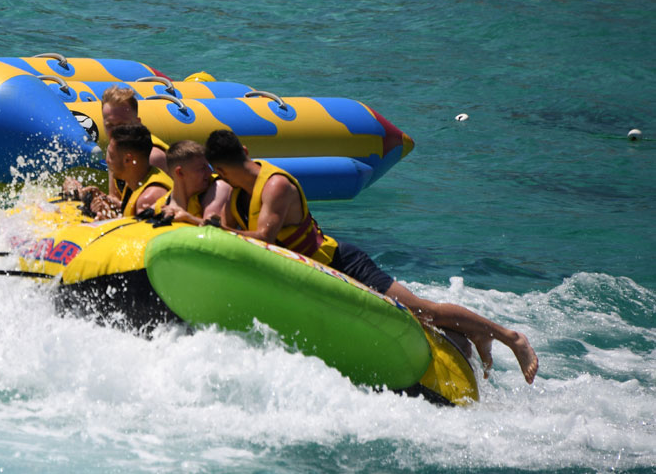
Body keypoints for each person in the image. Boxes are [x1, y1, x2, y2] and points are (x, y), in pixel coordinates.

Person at [203, 130, 539, 383]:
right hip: (312, 270)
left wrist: (218, 230)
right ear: (244, 150)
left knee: (423, 310)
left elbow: (263, 238)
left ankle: (510, 337)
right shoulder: (236, 191)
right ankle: (475, 334)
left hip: (342, 263)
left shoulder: (275, 185)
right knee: (423, 313)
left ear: (220, 166)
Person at [84, 123, 173, 220]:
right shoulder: (138, 181)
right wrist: (106, 201)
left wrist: (105, 222)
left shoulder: (148, 199)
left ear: (128, 160)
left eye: (111, 156)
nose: (107, 161)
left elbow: (140, 235)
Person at [159, 140, 232, 225]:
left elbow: (215, 229)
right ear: (180, 172)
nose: (210, 172)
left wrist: (189, 218)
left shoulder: (219, 187)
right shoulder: (162, 205)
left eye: (208, 166)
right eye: (202, 168)